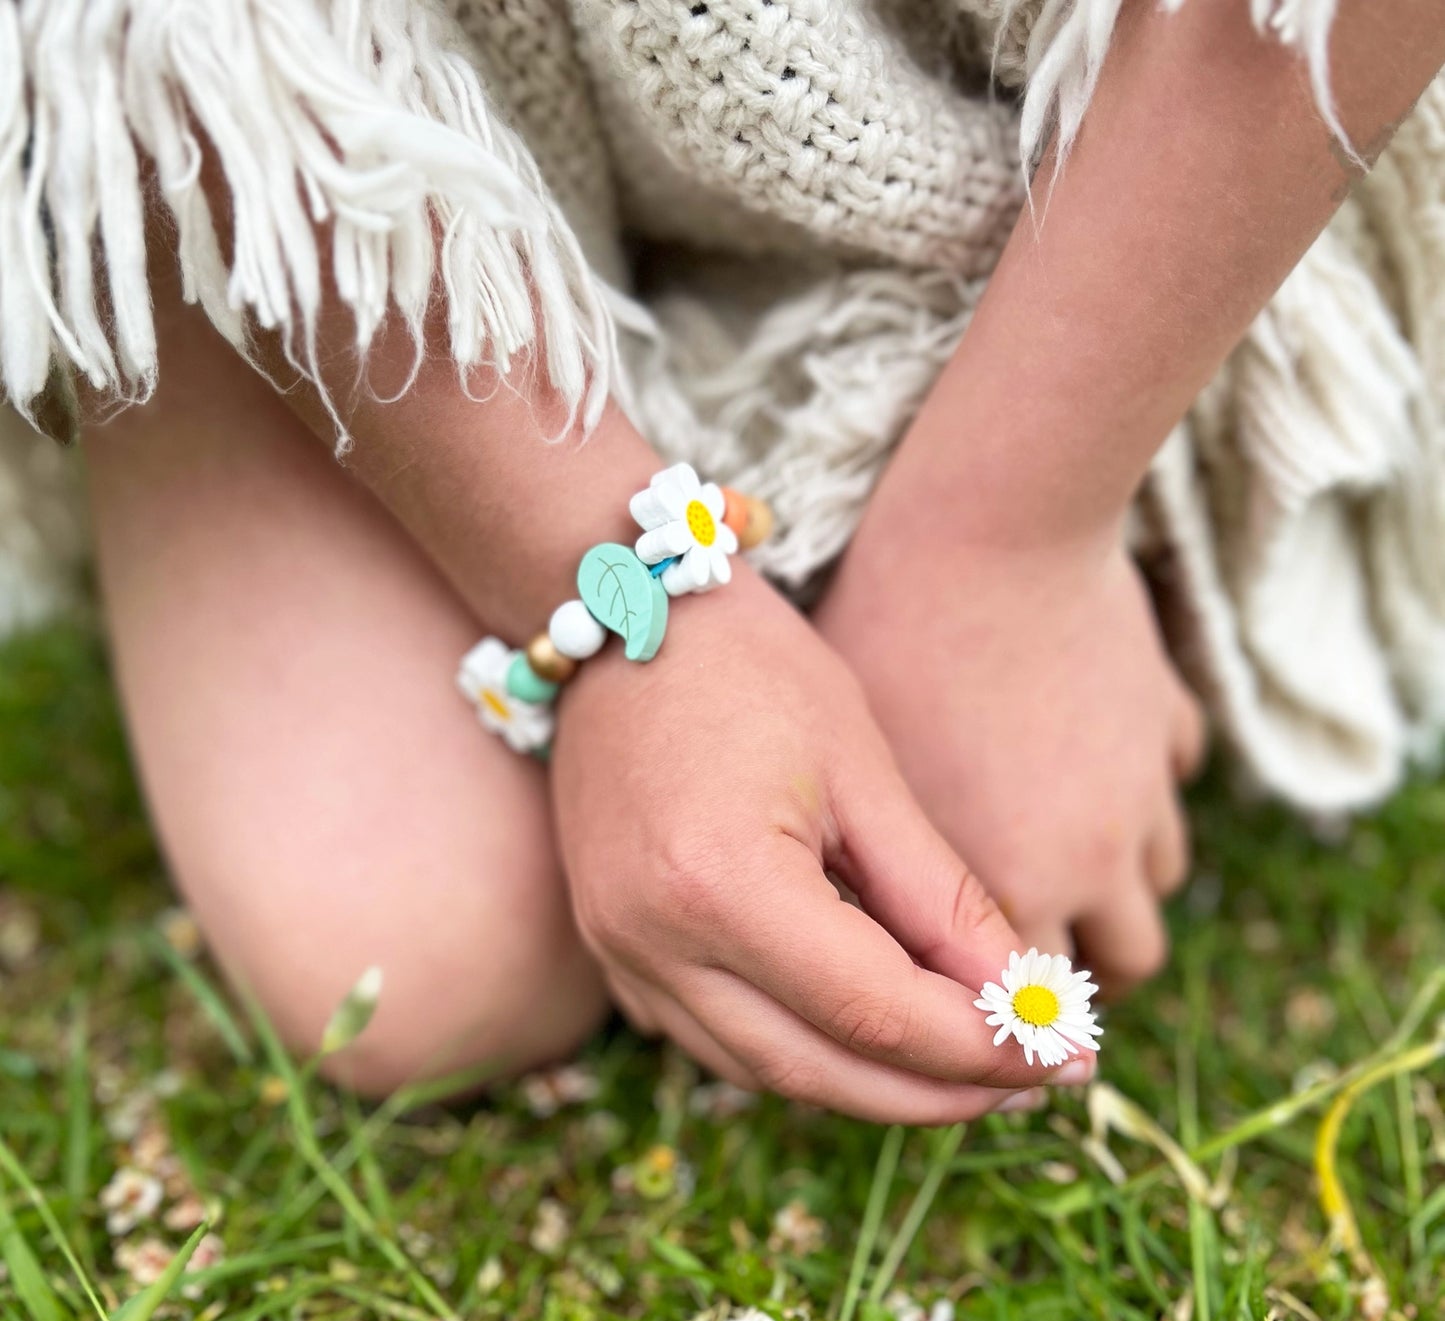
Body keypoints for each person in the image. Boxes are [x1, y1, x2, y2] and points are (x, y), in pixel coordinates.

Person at [3, 0, 1443, 1115]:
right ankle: (187, 240)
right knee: (414, 961)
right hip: (359, 134)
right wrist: (609, 592)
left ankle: (1025, 413)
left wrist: (1005, 544)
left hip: (1055, 127)